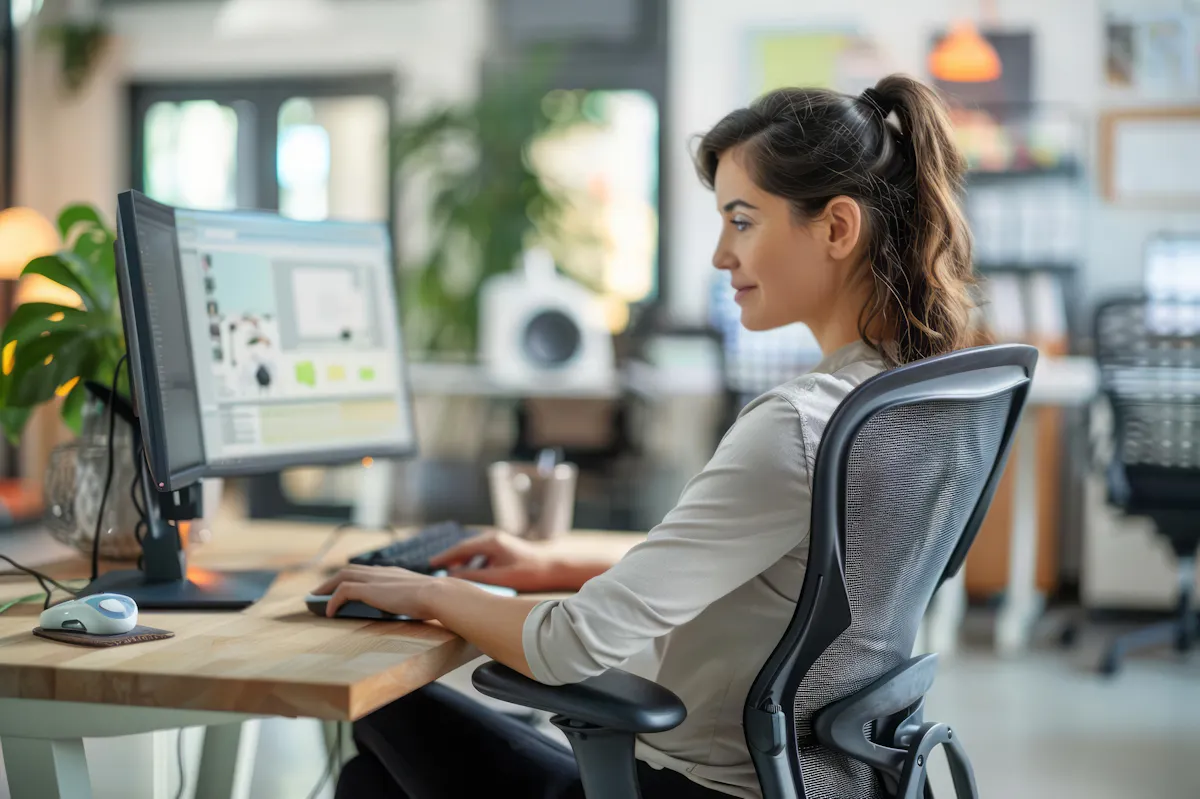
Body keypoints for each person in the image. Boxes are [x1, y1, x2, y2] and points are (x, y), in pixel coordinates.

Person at [323, 73, 979, 799]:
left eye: (742, 220)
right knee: (374, 774)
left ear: (835, 228)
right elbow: (782, 574)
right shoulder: (912, 398)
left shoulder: (797, 424)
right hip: (829, 779)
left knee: (380, 714)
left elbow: (569, 644)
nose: (720, 256)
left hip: (699, 788)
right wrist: (554, 564)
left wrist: (425, 593)